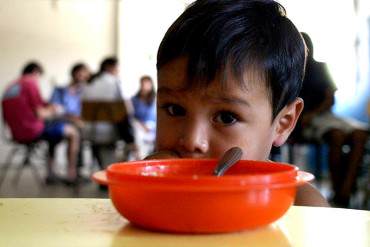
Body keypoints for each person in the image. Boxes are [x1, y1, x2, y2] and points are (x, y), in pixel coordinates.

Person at [145, 0, 329, 207]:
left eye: (226, 117)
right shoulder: (147, 188)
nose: (192, 141)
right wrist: (145, 191)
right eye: (174, 109)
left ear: (283, 123)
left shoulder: (299, 206)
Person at [299, 32, 369, 207]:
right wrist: (308, 116)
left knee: (360, 134)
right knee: (337, 136)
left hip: (324, 115)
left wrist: (315, 113)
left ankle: (344, 190)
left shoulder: (321, 67)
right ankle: (341, 192)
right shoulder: (292, 69)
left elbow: (330, 97)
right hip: (305, 119)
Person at [2, 62, 80, 184]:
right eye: (39, 77)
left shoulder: (12, 86)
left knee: (54, 135)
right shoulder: (30, 83)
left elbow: (32, 106)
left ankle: (50, 174)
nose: (38, 80)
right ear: (35, 72)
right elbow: (41, 114)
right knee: (72, 132)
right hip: (32, 130)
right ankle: (71, 175)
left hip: (15, 132)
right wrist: (56, 110)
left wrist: (48, 106)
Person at [82, 57, 139, 162]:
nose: (118, 71)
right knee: (108, 167)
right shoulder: (114, 82)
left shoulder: (89, 83)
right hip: (108, 134)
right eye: (117, 68)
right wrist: (130, 139)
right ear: (110, 67)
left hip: (90, 132)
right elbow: (122, 113)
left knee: (99, 166)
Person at [50, 63, 90, 177]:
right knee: (71, 132)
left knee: (81, 131)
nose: (82, 77)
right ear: (74, 73)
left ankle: (76, 169)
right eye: (80, 73)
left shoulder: (84, 92)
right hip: (60, 122)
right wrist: (71, 117)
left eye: (85, 75)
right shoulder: (60, 90)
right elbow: (55, 110)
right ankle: (67, 171)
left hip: (79, 124)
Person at [131, 75, 156, 158]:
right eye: (143, 83)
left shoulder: (156, 98)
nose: (145, 85)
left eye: (147, 83)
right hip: (140, 125)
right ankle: (139, 156)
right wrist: (143, 125)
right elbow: (133, 116)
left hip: (154, 125)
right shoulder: (135, 99)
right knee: (136, 130)